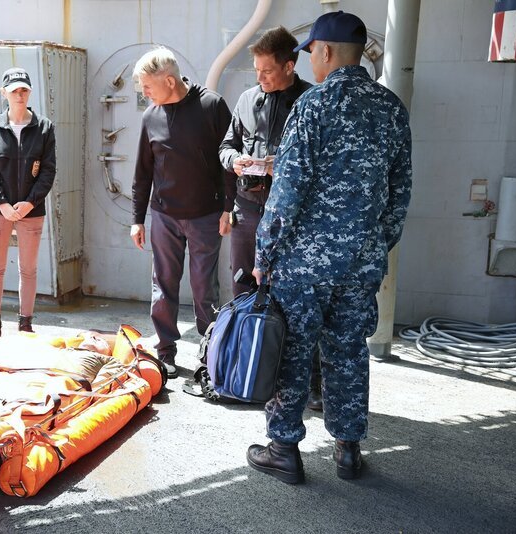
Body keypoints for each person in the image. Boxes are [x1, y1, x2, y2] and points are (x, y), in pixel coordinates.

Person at [247, 11, 412, 483]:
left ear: (324, 52)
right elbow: (401, 193)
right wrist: (376, 246)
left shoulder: (315, 106)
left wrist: (265, 256)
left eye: (311, 54)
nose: (311, 63)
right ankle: (347, 450)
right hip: (360, 265)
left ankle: (283, 449)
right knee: (348, 352)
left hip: (304, 266)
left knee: (295, 352)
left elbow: (287, 192)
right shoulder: (391, 108)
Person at [218, 26, 323, 412]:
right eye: (257, 71)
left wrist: (288, 168)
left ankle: (309, 384)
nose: (260, 78)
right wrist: (235, 161)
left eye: (267, 71)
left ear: (290, 65)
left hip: (293, 215)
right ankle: (244, 372)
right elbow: (226, 145)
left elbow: (323, 164)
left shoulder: (311, 101)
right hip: (248, 207)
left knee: (297, 300)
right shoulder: (247, 99)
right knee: (244, 287)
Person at [130, 47, 234, 378]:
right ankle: (165, 351)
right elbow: (142, 173)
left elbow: (228, 162)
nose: (145, 93)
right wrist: (137, 219)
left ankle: (210, 354)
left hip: (206, 215)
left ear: (170, 80)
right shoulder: (151, 116)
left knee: (205, 289)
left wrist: (228, 207)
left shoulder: (212, 106)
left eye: (147, 86)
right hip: (164, 216)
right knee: (164, 285)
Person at [0, 67, 56, 339]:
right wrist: (2, 205)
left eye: (24, 90)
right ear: (4, 94)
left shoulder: (44, 128)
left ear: (30, 91)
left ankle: (25, 325)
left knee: (29, 269)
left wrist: (29, 202)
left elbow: (48, 170)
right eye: (14, 91)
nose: (19, 95)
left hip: (30, 210)